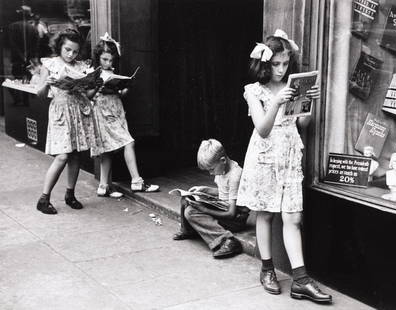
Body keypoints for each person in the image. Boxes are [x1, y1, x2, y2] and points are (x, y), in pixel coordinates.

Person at [236, 29, 332, 303]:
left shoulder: (293, 86)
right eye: (275, 64)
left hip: (289, 155)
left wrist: (306, 101)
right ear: (265, 64)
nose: (280, 69)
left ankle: (300, 280)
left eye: (285, 64)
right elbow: (262, 129)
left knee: (293, 217)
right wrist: (277, 103)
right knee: (265, 214)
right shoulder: (254, 91)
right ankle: (267, 269)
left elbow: (302, 125)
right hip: (265, 155)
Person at [35, 29, 101, 214]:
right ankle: (44, 198)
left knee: (75, 155)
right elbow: (39, 94)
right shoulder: (49, 64)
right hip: (60, 113)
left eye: (75, 51)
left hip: (77, 111)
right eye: (67, 50)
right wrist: (47, 82)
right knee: (62, 155)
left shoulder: (81, 66)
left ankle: (70, 195)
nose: (71, 54)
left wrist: (95, 86)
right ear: (59, 47)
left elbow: (87, 95)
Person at [87, 33, 159, 197]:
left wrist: (123, 89)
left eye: (111, 60)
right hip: (102, 111)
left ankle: (103, 186)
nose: (108, 63)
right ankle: (137, 181)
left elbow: (118, 93)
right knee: (128, 142)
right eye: (105, 59)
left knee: (107, 149)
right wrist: (98, 85)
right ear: (97, 57)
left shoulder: (111, 72)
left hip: (115, 109)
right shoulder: (92, 72)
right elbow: (88, 95)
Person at [172, 139, 249, 259]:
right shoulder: (222, 169)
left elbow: (231, 214)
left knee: (191, 212)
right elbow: (224, 192)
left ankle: (227, 240)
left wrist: (204, 209)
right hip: (224, 207)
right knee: (186, 200)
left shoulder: (235, 176)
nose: (210, 173)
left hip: (236, 219)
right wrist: (204, 190)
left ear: (222, 160)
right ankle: (188, 230)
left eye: (211, 169)